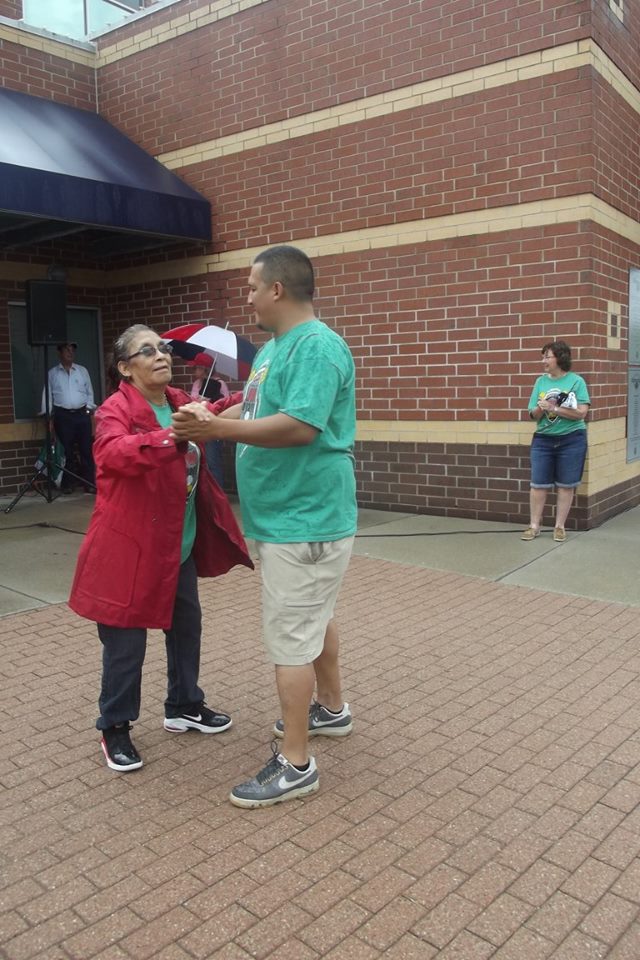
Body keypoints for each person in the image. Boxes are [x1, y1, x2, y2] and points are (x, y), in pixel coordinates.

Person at [172, 245, 357, 808]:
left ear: (277, 289)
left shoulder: (318, 347)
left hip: (305, 520)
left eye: (252, 286)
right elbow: (251, 408)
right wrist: (209, 419)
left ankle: (296, 765)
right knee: (313, 619)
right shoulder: (277, 350)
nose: (246, 296)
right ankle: (331, 709)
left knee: (289, 641)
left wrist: (217, 434)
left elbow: (301, 427)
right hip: (290, 517)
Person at [68, 324, 253, 773]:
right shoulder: (114, 410)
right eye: (146, 351)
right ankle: (114, 726)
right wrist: (173, 435)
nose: (160, 356)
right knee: (126, 644)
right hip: (129, 553)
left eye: (164, 349)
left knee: (187, 627)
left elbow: (209, 410)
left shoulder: (176, 402)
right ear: (125, 369)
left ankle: (184, 705)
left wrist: (250, 394)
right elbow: (113, 453)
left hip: (177, 548)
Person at [522, 340, 590, 542]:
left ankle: (559, 527)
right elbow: (532, 415)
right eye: (543, 357)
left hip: (572, 439)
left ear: (560, 358)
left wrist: (555, 409)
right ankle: (534, 525)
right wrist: (541, 409)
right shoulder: (540, 382)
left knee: (566, 485)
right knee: (538, 484)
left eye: (547, 357)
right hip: (543, 440)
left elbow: (581, 414)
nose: (543, 361)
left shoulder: (576, 382)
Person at [42, 342, 96, 493]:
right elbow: (48, 396)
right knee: (67, 452)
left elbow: (89, 392)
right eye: (66, 349)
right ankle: (67, 484)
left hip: (81, 414)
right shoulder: (52, 373)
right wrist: (48, 416)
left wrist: (89, 409)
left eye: (72, 350)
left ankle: (89, 483)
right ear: (59, 352)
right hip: (63, 416)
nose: (70, 352)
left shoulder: (82, 371)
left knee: (86, 450)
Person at [190, 362, 229, 486]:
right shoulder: (197, 384)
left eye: (198, 368)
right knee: (201, 461)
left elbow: (226, 402)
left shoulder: (219, 384)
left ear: (206, 369)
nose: (195, 371)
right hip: (198, 425)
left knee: (213, 461)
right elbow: (190, 400)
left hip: (212, 424)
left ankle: (219, 495)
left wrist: (211, 401)